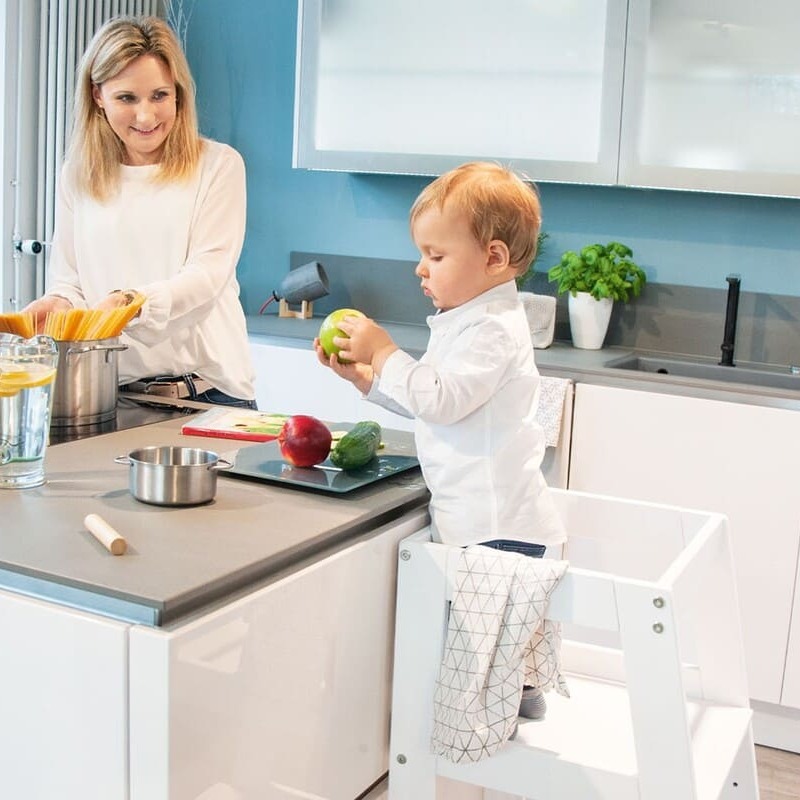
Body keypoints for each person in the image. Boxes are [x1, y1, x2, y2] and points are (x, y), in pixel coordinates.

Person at [314, 161, 566, 718]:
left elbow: (441, 399)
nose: (420, 269)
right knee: (487, 658)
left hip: (498, 531)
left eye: (436, 255)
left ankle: (491, 739)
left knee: (483, 664)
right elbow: (436, 406)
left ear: (494, 259)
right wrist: (366, 379)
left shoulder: (493, 330)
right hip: (478, 523)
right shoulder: (467, 320)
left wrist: (383, 353)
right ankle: (498, 725)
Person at [24, 16, 255, 408]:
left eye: (160, 96)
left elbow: (206, 276)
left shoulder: (218, 165)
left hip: (208, 397)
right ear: (98, 96)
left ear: (179, 93)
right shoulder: (77, 175)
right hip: (107, 395)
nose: (146, 117)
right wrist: (56, 307)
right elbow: (70, 282)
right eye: (127, 98)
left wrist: (130, 301)